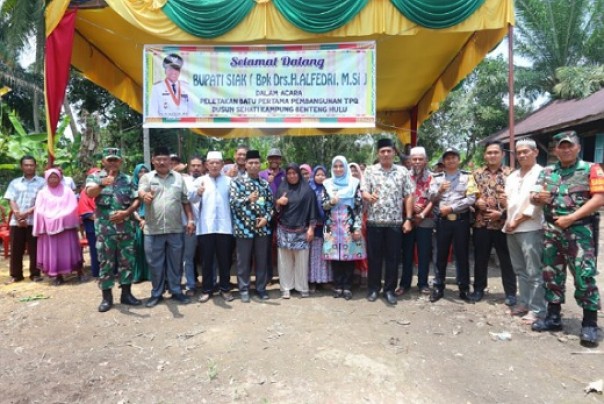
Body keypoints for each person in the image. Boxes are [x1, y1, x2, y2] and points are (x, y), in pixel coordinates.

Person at [530, 131, 604, 347]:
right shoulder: (547, 172)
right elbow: (535, 198)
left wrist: (571, 217)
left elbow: (599, 198)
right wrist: (536, 198)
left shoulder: (591, 169)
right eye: (561, 147)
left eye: (569, 146)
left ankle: (589, 324)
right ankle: (553, 317)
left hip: (580, 231)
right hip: (552, 230)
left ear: (578, 148)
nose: (565, 149)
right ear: (555, 150)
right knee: (552, 273)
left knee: (584, 275)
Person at [86, 148, 142, 312]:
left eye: (115, 160)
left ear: (121, 161)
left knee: (127, 261)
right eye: (109, 160)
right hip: (105, 230)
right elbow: (89, 193)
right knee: (106, 263)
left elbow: (136, 199)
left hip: (125, 227)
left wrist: (127, 212)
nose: (112, 162)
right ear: (103, 161)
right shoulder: (95, 177)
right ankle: (107, 298)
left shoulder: (128, 179)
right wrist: (102, 183)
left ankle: (126, 294)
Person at [139, 146, 195, 307]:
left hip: (175, 229)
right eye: (158, 159)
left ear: (170, 162)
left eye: (165, 159)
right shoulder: (147, 178)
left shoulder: (178, 178)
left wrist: (190, 220)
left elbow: (185, 201)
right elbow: (141, 192)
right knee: (155, 264)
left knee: (175, 263)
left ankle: (176, 290)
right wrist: (145, 196)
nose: (162, 162)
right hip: (153, 229)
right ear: (153, 161)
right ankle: (156, 293)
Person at [360, 138, 414, 305]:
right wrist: (368, 196)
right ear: (378, 153)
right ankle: (373, 289)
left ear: (393, 153)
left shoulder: (402, 171)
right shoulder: (370, 170)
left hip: (395, 223)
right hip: (374, 222)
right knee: (374, 258)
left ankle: (389, 290)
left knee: (393, 258)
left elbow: (409, 195)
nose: (385, 154)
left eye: (388, 151)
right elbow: (363, 191)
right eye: (382, 151)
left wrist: (409, 219)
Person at [503, 139, 546, 323]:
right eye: (518, 153)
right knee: (520, 269)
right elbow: (508, 199)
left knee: (533, 270)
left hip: (530, 227)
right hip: (511, 227)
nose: (521, 155)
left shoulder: (542, 174)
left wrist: (518, 220)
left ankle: (537, 309)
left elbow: (535, 205)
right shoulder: (513, 176)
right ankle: (524, 302)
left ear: (535, 152)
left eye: (525, 152)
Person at [470, 141, 517, 304]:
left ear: (503, 154)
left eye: (496, 152)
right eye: (489, 152)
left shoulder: (512, 174)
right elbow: (469, 195)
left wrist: (502, 213)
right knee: (480, 258)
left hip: (503, 224)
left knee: (506, 259)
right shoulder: (476, 174)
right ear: (484, 155)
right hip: (481, 223)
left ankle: (510, 293)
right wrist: (476, 203)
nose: (492, 155)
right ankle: (478, 289)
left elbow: (517, 200)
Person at [429, 147, 478, 303]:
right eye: (447, 158)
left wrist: (451, 208)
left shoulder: (468, 177)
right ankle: (438, 287)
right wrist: (439, 191)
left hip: (461, 220)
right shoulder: (436, 178)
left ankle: (463, 289)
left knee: (462, 255)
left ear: (458, 160)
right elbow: (430, 197)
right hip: (442, 222)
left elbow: (471, 198)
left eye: (453, 157)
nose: (450, 160)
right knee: (440, 255)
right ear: (443, 161)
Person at [229, 150, 274, 302]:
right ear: (245, 165)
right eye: (250, 163)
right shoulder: (237, 182)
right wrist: (248, 199)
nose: (254, 166)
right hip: (243, 229)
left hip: (262, 229)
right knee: (243, 261)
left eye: (256, 163)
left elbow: (270, 206)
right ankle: (244, 289)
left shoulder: (264, 184)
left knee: (261, 260)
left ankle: (260, 288)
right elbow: (233, 203)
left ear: (260, 165)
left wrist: (266, 219)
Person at [190, 151, 235, 303]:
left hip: (225, 227)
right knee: (206, 260)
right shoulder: (200, 181)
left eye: (218, 163)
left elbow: (235, 201)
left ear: (222, 165)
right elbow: (190, 198)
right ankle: (207, 289)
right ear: (206, 165)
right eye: (211, 163)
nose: (215, 165)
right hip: (206, 227)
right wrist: (198, 192)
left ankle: (225, 288)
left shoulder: (229, 181)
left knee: (225, 260)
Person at [322, 156, 365, 300]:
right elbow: (323, 205)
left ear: (346, 167)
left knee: (349, 256)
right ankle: (338, 285)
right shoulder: (327, 184)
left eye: (341, 166)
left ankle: (347, 286)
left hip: (349, 224)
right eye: (336, 166)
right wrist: (331, 202)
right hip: (332, 225)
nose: (338, 169)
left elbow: (359, 206)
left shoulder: (354, 183)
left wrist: (357, 227)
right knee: (335, 257)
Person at [33, 168, 83, 285]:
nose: (53, 179)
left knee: (70, 250)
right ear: (46, 178)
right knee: (53, 252)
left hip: (65, 227)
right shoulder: (42, 193)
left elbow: (73, 206)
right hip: (49, 229)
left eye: (55, 177)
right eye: (50, 177)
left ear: (60, 178)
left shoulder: (67, 191)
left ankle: (79, 272)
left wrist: (60, 217)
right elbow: (39, 209)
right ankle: (57, 275)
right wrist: (49, 218)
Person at [275, 164, 317, 299]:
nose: (292, 176)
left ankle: (302, 286)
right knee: (284, 260)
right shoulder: (282, 188)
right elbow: (273, 208)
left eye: (294, 173)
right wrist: (279, 202)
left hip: (301, 230)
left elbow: (312, 211)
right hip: (284, 229)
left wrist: (311, 228)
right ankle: (286, 287)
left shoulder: (307, 191)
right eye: (289, 173)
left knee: (302, 260)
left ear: (299, 174)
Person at [398, 147, 434, 296]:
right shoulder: (403, 176)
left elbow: (435, 198)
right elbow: (398, 196)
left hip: (425, 220)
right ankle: (404, 284)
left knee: (424, 253)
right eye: (415, 159)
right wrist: (411, 207)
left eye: (420, 159)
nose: (417, 162)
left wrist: (423, 210)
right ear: (410, 161)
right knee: (406, 253)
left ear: (426, 160)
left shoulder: (432, 177)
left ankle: (423, 283)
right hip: (407, 220)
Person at [4, 155, 45, 284]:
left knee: (35, 249)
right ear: (22, 166)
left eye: (31, 165)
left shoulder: (42, 183)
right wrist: (17, 214)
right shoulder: (15, 182)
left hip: (34, 221)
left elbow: (42, 201)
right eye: (26, 165)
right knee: (16, 249)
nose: (29, 167)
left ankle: (35, 274)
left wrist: (26, 213)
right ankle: (16, 275)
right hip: (16, 222)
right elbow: (11, 199)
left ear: (35, 166)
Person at [259, 147, 286, 282]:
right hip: (266, 215)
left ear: (280, 160)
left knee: (282, 246)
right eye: (271, 157)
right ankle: (268, 276)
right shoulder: (262, 174)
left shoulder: (286, 174)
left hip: (283, 215)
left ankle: (284, 276)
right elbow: (258, 194)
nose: (274, 160)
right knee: (266, 246)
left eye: (277, 157)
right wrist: (266, 183)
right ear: (268, 159)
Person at [182, 156, 203, 296]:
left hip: (206, 225)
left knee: (209, 256)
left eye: (198, 165)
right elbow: (185, 199)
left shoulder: (208, 180)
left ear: (203, 166)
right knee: (188, 257)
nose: (196, 168)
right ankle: (191, 285)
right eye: (193, 165)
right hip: (188, 224)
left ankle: (211, 284)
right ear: (189, 167)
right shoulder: (183, 180)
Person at [308, 165, 332, 291]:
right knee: (313, 254)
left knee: (326, 252)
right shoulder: (309, 188)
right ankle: (312, 280)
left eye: (323, 174)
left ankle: (324, 279)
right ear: (313, 175)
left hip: (327, 225)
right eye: (318, 174)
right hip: (313, 226)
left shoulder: (329, 188)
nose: (320, 177)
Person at [148, 53, 190, 118]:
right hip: (164, 126)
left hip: (184, 126)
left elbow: (191, 111)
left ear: (179, 71)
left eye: (176, 69)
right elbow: (153, 112)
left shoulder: (186, 87)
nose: (173, 72)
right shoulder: (157, 88)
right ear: (165, 70)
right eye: (170, 69)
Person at [78, 167, 101, 278]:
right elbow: (83, 209)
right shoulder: (84, 193)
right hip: (93, 225)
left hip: (108, 225)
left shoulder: (106, 188)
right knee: (95, 249)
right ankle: (97, 272)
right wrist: (99, 217)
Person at [349, 162, 368, 285]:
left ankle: (365, 273)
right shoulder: (345, 186)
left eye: (355, 171)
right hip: (347, 221)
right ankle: (355, 274)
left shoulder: (365, 186)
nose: (353, 173)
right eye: (350, 171)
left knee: (363, 246)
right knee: (352, 248)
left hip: (363, 220)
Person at [131, 163, 150, 283]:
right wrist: (140, 219)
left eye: (145, 171)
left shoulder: (152, 186)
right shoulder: (131, 187)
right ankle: (138, 274)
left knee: (150, 250)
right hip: (136, 222)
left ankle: (149, 274)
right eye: (140, 171)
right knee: (138, 248)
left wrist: (146, 219)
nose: (143, 174)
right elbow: (130, 205)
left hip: (151, 221)